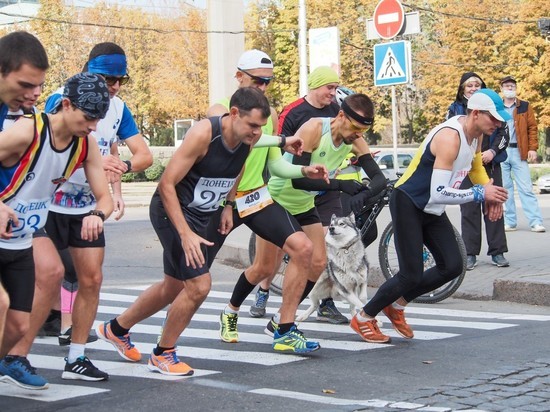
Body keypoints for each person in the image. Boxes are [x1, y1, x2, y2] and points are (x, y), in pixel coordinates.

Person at [97, 87, 305, 375]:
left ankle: (116, 329)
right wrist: (184, 233)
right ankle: (163, 354)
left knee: (172, 287)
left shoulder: (246, 138)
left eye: (260, 128)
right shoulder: (204, 134)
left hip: (201, 214)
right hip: (171, 211)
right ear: (233, 114)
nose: (257, 133)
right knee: (198, 285)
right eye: (253, 126)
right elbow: (166, 184)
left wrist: (228, 205)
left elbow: (240, 168)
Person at [350, 89, 509, 344]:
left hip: (431, 207)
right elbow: (438, 192)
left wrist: (489, 193)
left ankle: (397, 306)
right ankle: (364, 317)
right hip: (409, 202)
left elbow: (476, 166)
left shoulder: (477, 135)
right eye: (494, 118)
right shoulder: (450, 137)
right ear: (476, 113)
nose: (499, 124)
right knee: (409, 274)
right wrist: (480, 193)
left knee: (453, 265)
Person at [203, 50, 328, 347]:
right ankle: (223, 314)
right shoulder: (221, 108)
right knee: (193, 275)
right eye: (257, 81)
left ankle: (284, 330)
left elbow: (275, 165)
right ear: (239, 77)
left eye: (267, 83)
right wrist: (284, 139)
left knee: (301, 249)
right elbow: (233, 141)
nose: (262, 88)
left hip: (255, 197)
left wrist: (303, 170)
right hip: (222, 202)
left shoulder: (268, 115)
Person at [0, 72, 113, 388]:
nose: (92, 126)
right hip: (12, 218)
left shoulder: (85, 143)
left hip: (31, 223)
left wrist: (97, 214)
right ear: (66, 104)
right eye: (88, 117)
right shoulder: (28, 130)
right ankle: (14, 357)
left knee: (76, 275)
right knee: (50, 272)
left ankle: (48, 358)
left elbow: (103, 196)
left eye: (98, 120)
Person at [253, 93, 386, 345]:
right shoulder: (314, 128)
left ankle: (282, 321)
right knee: (263, 268)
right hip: (281, 197)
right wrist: (341, 185)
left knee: (317, 262)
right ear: (340, 116)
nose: (357, 135)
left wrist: (364, 194)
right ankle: (233, 309)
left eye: (363, 131)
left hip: (307, 201)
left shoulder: (355, 138)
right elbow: (299, 178)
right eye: (355, 128)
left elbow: (378, 178)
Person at [43, 42, 153, 346]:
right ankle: (32, 337)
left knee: (87, 276)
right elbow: (48, 149)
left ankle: (72, 342)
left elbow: (138, 154)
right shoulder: (60, 99)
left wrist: (120, 173)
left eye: (121, 80)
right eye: (108, 80)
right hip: (51, 200)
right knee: (53, 272)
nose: (115, 87)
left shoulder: (118, 108)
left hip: (89, 204)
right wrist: (90, 160)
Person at [250, 68, 352, 324]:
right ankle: (263, 290)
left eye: (335, 87)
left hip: (323, 186)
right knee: (271, 258)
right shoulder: (294, 111)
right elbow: (277, 144)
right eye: (329, 87)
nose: (333, 92)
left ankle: (324, 302)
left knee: (322, 251)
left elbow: (340, 144)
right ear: (316, 86)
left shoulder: (336, 112)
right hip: (292, 184)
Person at [446, 72, 510, 270]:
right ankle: (470, 253)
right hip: (466, 166)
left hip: (490, 164)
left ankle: (498, 251)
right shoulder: (455, 109)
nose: (473, 88)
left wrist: (492, 151)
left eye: (477, 85)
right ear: (462, 89)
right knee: (469, 209)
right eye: (469, 85)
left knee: (494, 205)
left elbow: (503, 132)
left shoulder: (492, 106)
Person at [499, 75, 545, 233]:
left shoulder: (525, 106)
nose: (509, 88)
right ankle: (510, 221)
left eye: (512, 85)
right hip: (502, 151)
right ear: (501, 89)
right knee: (505, 188)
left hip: (519, 151)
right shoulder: (497, 107)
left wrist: (532, 148)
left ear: (516, 88)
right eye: (506, 86)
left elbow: (532, 128)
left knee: (526, 188)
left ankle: (536, 221)